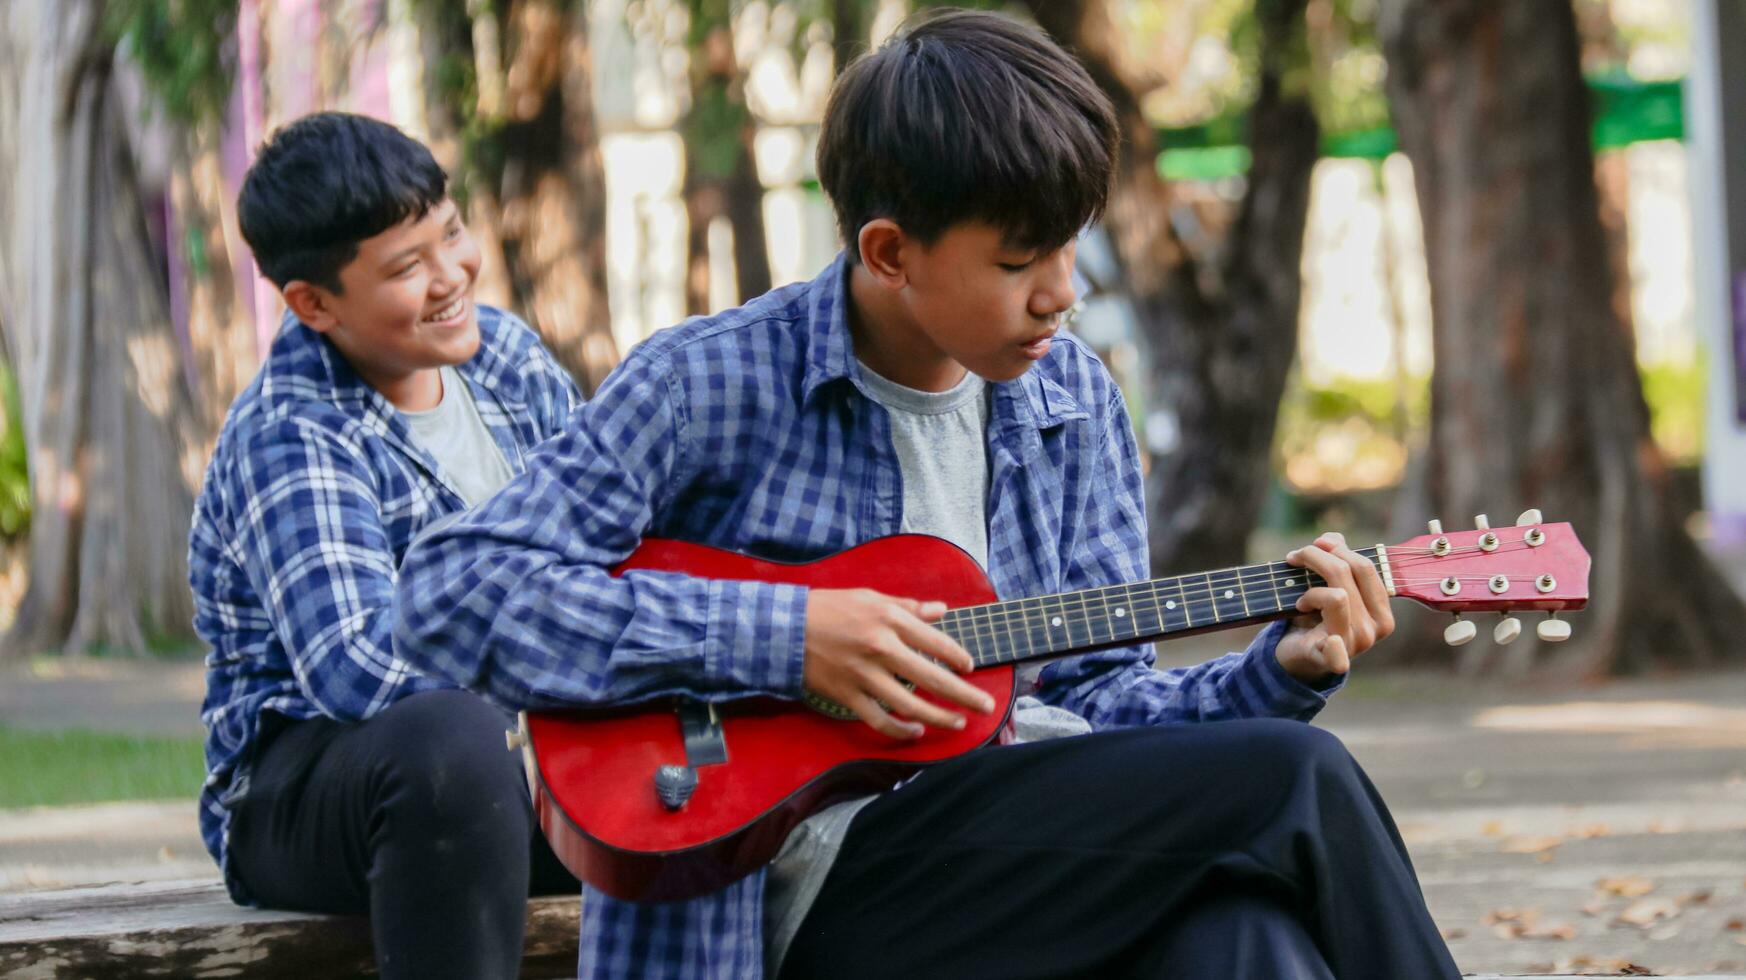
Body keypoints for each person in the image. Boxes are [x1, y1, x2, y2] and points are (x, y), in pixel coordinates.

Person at [395, 11, 1461, 979]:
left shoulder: (1072, 395)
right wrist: (790, 635)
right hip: (784, 891)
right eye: (1019, 257)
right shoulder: (709, 383)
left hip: (1018, 852)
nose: (1062, 291)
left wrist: (1273, 671)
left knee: (1241, 941)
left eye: (1071, 244)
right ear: (890, 252)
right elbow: (452, 591)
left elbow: (1095, 708)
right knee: (1297, 778)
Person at [188, 111, 582, 980]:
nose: (452, 276)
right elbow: (360, 665)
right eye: (408, 267)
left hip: (530, 754)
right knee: (450, 744)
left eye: (451, 235)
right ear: (313, 303)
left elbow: (610, 536)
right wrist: (594, 645)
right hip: (308, 785)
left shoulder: (505, 358)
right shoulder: (291, 431)